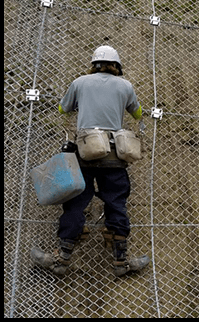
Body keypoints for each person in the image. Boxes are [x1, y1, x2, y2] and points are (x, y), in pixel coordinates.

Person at [31, 45, 150, 276]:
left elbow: (63, 109)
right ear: (116, 66)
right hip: (115, 156)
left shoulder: (80, 83)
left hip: (85, 153)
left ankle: (61, 258)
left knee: (75, 202)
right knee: (116, 203)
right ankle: (121, 262)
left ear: (94, 64)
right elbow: (137, 113)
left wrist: (80, 103)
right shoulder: (125, 86)